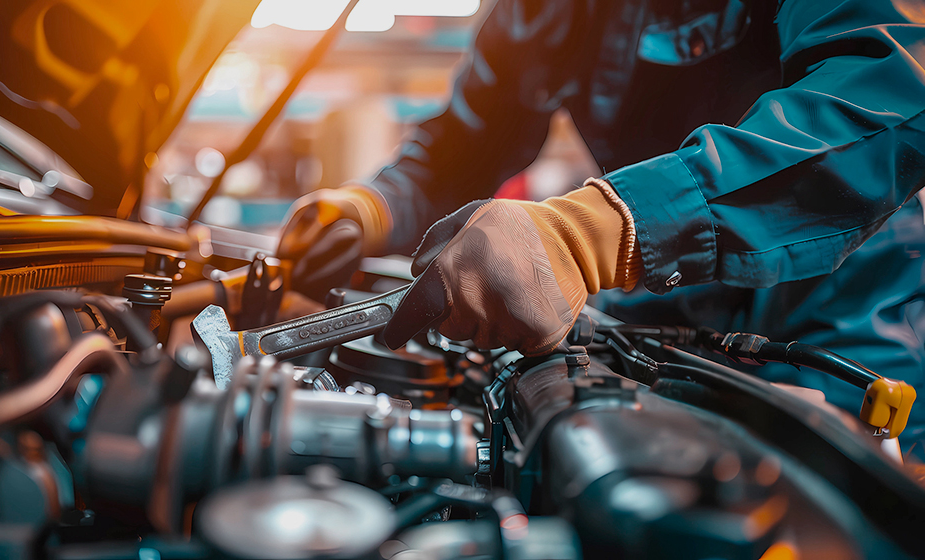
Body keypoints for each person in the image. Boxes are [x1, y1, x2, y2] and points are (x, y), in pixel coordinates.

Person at [277, 0, 925, 444]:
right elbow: (463, 145)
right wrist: (373, 206)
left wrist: (595, 230)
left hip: (838, 307)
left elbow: (885, 94)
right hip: (667, 294)